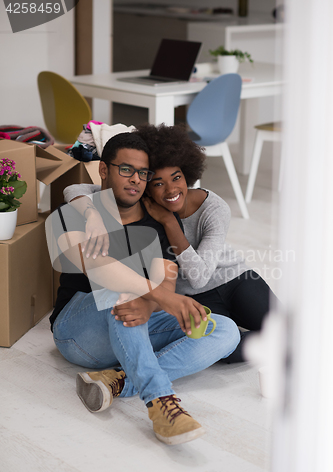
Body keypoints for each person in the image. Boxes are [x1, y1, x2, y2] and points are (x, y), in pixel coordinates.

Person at [48, 132, 240, 446]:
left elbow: (167, 273)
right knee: (118, 291)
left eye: (142, 173)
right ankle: (161, 401)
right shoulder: (73, 213)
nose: (136, 179)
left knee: (225, 330)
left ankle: (119, 380)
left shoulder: (152, 218)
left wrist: (151, 305)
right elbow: (98, 268)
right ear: (103, 171)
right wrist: (164, 298)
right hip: (78, 333)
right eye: (126, 170)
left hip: (131, 324)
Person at [64, 124, 277, 363]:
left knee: (283, 330)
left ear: (187, 173)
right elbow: (77, 188)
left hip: (233, 279)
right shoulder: (137, 201)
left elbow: (199, 277)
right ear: (145, 186)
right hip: (188, 297)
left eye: (177, 177)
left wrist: (169, 222)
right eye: (158, 183)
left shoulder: (213, 208)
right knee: (218, 344)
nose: (171, 189)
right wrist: (91, 212)